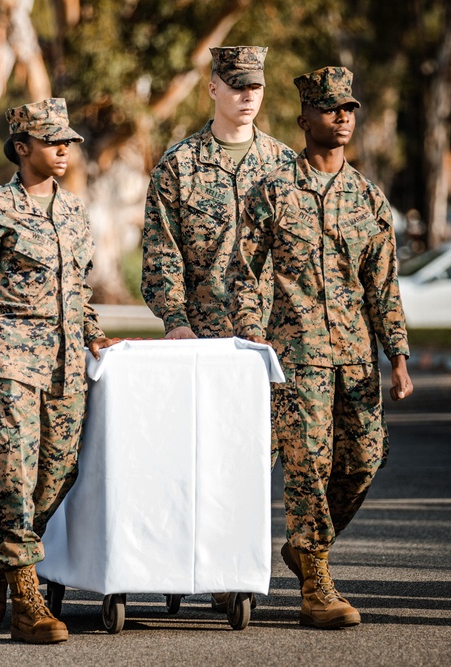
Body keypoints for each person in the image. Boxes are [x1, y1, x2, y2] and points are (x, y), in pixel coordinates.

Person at [228, 66, 413, 629]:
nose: (342, 117)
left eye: (349, 108)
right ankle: (316, 580)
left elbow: (384, 286)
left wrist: (398, 357)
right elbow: (243, 271)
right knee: (309, 464)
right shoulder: (273, 191)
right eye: (331, 108)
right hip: (297, 355)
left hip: (356, 356)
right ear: (304, 118)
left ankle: (308, 544)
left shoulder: (368, 198)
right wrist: (251, 334)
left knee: (364, 461)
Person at [0, 98, 116, 645]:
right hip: (2, 363)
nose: (63, 149)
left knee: (54, 481)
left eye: (69, 141)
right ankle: (27, 599)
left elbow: (78, 289)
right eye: (52, 141)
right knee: (12, 481)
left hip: (63, 368)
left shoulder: (76, 211)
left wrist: (93, 333)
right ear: (22, 148)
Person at [141, 45, 297, 341]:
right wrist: (175, 320)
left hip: (275, 334)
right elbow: (163, 250)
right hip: (205, 334)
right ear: (213, 89)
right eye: (238, 86)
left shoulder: (284, 164)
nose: (248, 96)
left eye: (255, 86)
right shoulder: (179, 165)